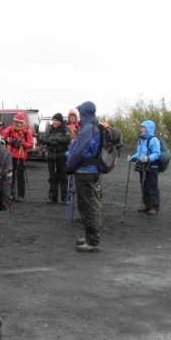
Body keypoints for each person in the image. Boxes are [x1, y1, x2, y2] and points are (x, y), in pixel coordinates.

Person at [65, 101, 102, 252]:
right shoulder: (94, 126)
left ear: (85, 113)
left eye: (80, 113)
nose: (79, 115)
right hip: (91, 170)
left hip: (85, 171)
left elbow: (77, 151)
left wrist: (69, 167)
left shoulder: (88, 129)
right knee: (87, 204)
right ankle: (89, 237)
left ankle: (92, 241)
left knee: (86, 206)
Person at [128, 120, 162, 215]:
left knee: (152, 186)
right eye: (142, 127)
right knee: (144, 186)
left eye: (143, 127)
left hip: (152, 167)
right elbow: (139, 153)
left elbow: (157, 153)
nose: (141, 129)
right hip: (143, 166)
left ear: (148, 129)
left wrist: (148, 158)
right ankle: (147, 206)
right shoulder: (142, 140)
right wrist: (133, 157)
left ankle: (154, 207)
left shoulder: (153, 139)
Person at [0, 112, 34, 201]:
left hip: (21, 157)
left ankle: (20, 195)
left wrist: (23, 143)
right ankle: (11, 193)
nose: (15, 123)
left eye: (17, 122)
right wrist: (1, 129)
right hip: (11, 155)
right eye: (14, 121)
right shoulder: (11, 128)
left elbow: (30, 144)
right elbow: (3, 136)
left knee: (20, 176)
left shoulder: (26, 131)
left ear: (21, 122)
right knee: (11, 175)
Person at [42, 112, 71, 204]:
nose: (53, 122)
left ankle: (65, 198)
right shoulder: (49, 129)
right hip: (51, 155)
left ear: (60, 121)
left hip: (61, 155)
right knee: (52, 178)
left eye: (55, 120)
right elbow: (43, 139)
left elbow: (67, 139)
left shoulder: (65, 128)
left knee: (63, 177)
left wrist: (56, 140)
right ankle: (52, 197)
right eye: (53, 120)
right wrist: (49, 141)